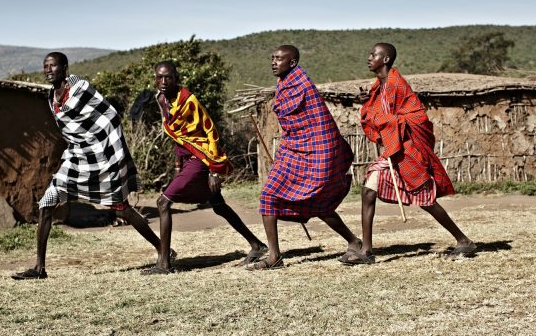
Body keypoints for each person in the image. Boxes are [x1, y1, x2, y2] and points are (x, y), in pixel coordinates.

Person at [11, 52, 162, 279]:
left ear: (64, 67)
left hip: (101, 157)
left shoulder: (80, 88)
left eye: (53, 66)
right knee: (47, 203)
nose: (49, 70)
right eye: (45, 66)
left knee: (121, 208)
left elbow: (109, 115)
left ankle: (162, 249)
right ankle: (39, 268)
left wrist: (106, 147)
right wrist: (79, 144)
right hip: (76, 158)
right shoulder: (52, 96)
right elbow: (68, 129)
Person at [355, 42, 476, 263]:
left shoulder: (397, 85)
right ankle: (366, 251)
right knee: (368, 191)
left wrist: (387, 121)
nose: (369, 57)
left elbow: (417, 117)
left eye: (374, 54)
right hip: (394, 150)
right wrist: (368, 104)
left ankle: (464, 241)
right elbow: (376, 114)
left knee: (425, 200)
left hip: (408, 150)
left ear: (386, 60)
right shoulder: (378, 87)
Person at [148, 61, 268, 275]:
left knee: (163, 202)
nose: (163, 82)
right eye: (159, 77)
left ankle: (164, 264)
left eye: (168, 77)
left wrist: (214, 170)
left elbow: (210, 132)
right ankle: (257, 245)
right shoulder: (162, 99)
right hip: (187, 158)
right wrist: (178, 166)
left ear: (176, 78)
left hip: (202, 159)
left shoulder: (189, 101)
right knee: (218, 205)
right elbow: (178, 138)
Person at [252, 45, 363, 270]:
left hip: (317, 150)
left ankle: (353, 241)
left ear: (292, 63)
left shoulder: (303, 85)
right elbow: (291, 125)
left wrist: (318, 153)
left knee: (319, 203)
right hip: (292, 149)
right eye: (272, 58)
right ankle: (274, 256)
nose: (274, 62)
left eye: (279, 59)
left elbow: (321, 124)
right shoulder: (283, 84)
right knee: (268, 196)